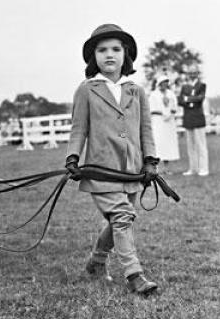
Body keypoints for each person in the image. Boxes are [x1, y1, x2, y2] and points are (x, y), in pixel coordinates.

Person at [65, 23, 159, 295]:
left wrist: (150, 160)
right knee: (122, 216)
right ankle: (134, 275)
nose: (109, 55)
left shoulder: (136, 91)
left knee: (121, 218)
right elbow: (78, 128)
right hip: (100, 169)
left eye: (116, 49)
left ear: (125, 54)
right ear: (93, 56)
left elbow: (146, 128)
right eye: (102, 50)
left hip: (131, 169)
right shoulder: (87, 89)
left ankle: (96, 262)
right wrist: (72, 157)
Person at [178, 64, 209, 176]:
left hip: (198, 118)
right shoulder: (184, 86)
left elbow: (200, 98)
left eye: (194, 72)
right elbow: (180, 101)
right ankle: (193, 168)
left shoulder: (202, 85)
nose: (192, 74)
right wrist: (190, 100)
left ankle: (204, 168)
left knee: (201, 145)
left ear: (197, 73)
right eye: (190, 73)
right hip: (188, 118)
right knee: (190, 146)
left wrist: (188, 99)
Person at [149, 75, 180, 174]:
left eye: (166, 82)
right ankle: (157, 169)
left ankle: (167, 168)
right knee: (158, 144)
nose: (165, 85)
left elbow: (175, 107)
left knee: (168, 144)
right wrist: (162, 114)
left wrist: (170, 113)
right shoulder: (154, 95)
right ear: (159, 84)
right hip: (158, 122)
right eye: (163, 83)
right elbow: (152, 109)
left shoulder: (171, 94)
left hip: (169, 122)